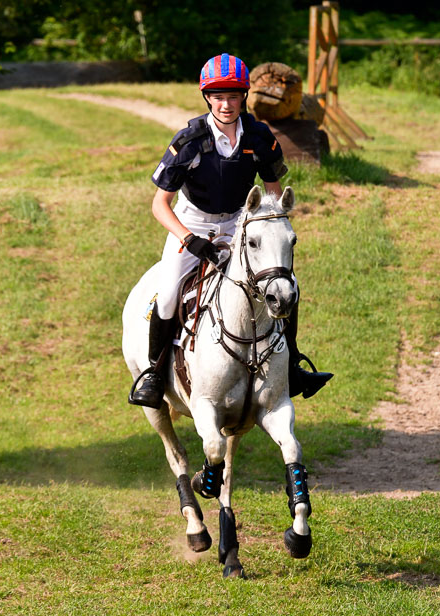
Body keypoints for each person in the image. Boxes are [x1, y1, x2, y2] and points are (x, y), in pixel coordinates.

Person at [129, 53, 332, 410]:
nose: (226, 104)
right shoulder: (189, 140)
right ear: (207, 97)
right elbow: (159, 204)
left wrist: (272, 227)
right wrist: (189, 240)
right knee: (168, 293)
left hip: (242, 222)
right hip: (193, 224)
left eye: (234, 96)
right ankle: (154, 374)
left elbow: (273, 191)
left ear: (244, 97)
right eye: (218, 96)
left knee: (286, 285)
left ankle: (294, 366)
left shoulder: (259, 136)